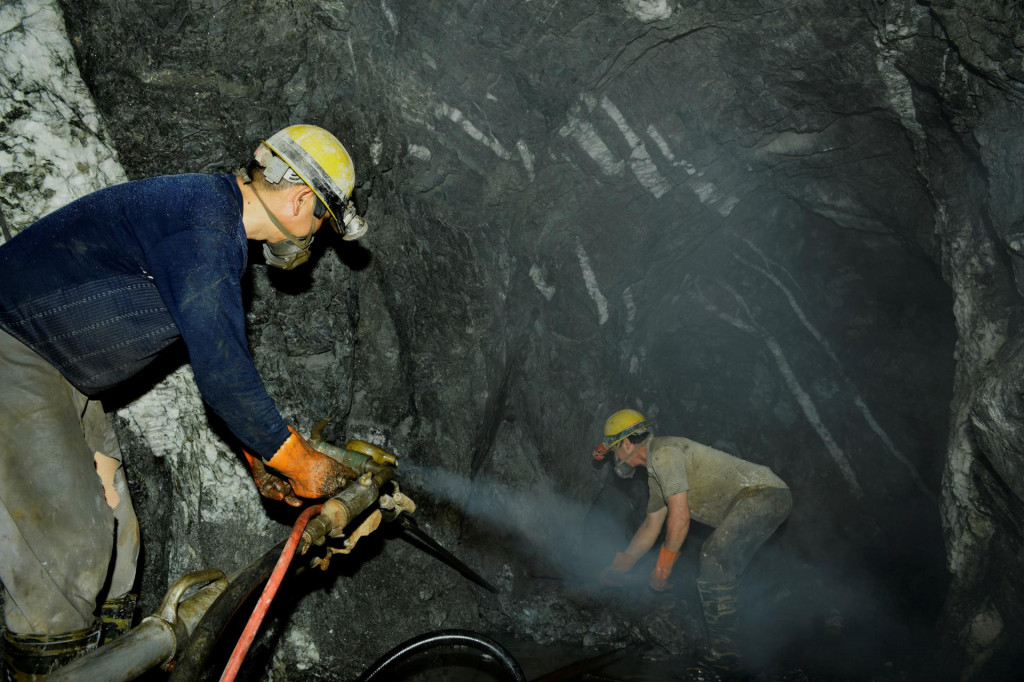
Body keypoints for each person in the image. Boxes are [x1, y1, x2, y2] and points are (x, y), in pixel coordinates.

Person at [0, 124, 368, 678]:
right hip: (15, 350)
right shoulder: (202, 227)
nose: (315, 242)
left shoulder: (209, 219)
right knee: (70, 552)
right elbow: (223, 372)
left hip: (65, 370)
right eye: (323, 223)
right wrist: (299, 461)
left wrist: (261, 458)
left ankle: (107, 666)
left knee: (119, 544)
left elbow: (216, 357)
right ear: (299, 201)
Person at [593, 409, 792, 675]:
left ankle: (725, 655)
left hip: (764, 494)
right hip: (761, 498)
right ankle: (743, 646)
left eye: (614, 451)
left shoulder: (664, 453)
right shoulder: (656, 474)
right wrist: (620, 567)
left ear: (626, 443)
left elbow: (680, 516)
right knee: (725, 568)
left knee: (713, 556)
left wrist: (662, 568)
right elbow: (651, 525)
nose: (614, 460)